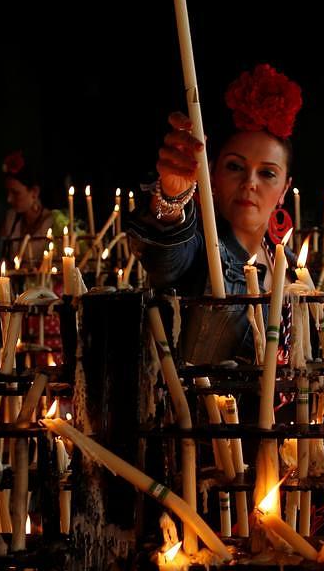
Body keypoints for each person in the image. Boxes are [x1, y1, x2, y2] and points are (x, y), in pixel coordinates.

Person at [129, 63, 303, 364]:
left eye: (267, 173)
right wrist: (170, 198)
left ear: (285, 189)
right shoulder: (201, 251)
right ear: (212, 173)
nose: (250, 183)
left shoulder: (292, 266)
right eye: (235, 167)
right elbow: (165, 253)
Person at [0, 151, 55, 263]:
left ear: (34, 192)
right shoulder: (11, 220)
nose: (9, 199)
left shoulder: (52, 223)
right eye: (8, 192)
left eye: (15, 193)